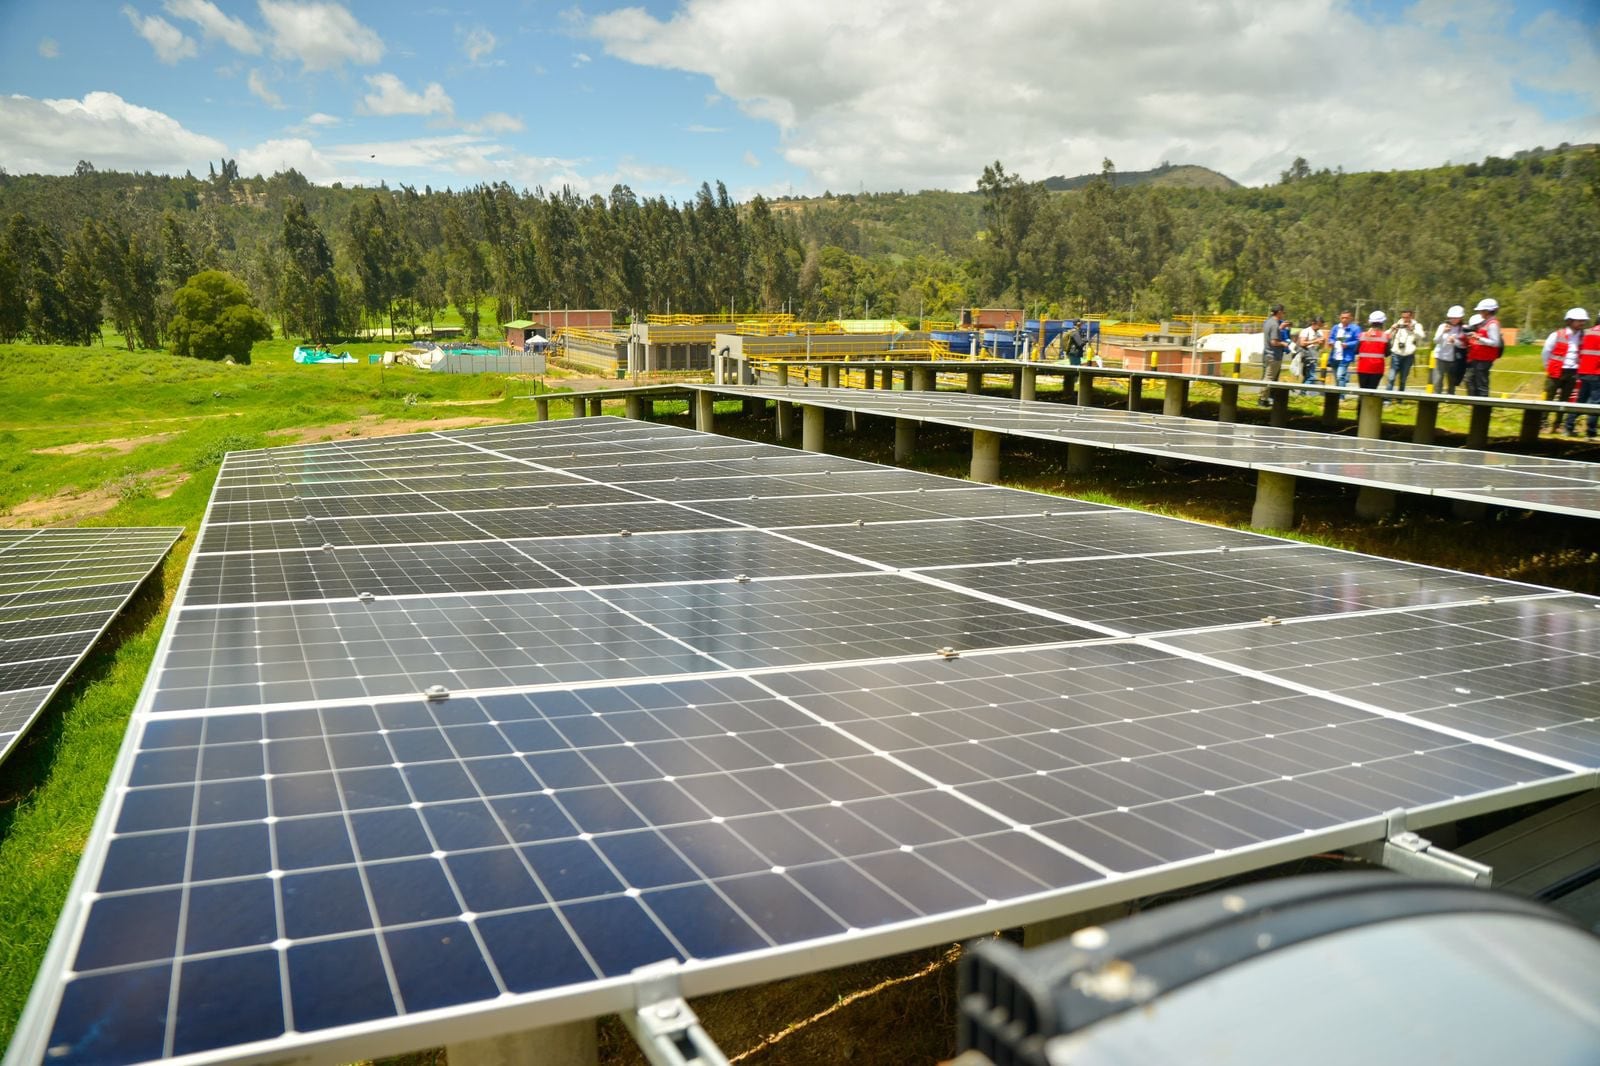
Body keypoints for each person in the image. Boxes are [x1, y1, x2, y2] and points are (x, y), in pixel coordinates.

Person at [1542, 308, 1587, 430]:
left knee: (1565, 399)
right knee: (1549, 397)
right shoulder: (1557, 335)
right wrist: (1548, 366)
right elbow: (1546, 352)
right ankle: (1543, 422)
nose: (1582, 323)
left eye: (1583, 321)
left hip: (1572, 372)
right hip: (1556, 370)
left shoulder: (1583, 336)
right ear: (1570, 321)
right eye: (1579, 321)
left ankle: (1558, 423)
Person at [1461, 297, 1503, 397]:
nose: (1480, 312)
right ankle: (1475, 404)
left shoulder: (1492, 324)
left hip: (1484, 359)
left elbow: (1495, 342)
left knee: (1482, 385)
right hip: (1479, 358)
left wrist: (1478, 338)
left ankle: (1482, 408)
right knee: (1473, 381)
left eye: (1481, 310)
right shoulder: (1487, 323)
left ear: (1487, 311)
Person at [1568, 316, 1600, 438]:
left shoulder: (1586, 332)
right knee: (1595, 403)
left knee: (1580, 401)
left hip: (1584, 371)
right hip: (1597, 373)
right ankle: (1591, 432)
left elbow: (1580, 351)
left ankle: (1568, 426)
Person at [1431, 305, 1467, 393]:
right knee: (1437, 380)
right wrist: (1443, 332)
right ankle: (1437, 398)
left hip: (1454, 359)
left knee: (1452, 381)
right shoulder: (1442, 326)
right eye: (1452, 317)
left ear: (1461, 318)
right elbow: (1435, 340)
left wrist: (1455, 341)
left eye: (1456, 317)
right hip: (1440, 357)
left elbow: (1464, 345)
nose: (1453, 319)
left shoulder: (1463, 328)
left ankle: (1450, 400)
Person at [1387, 309, 1425, 391]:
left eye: (1406, 317)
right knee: (1391, 377)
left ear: (1411, 317)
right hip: (1396, 354)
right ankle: (1387, 399)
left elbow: (1422, 336)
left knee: (1403, 379)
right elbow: (1387, 335)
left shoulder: (1416, 325)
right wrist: (1392, 329)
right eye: (1403, 317)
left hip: (1408, 356)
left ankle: (1399, 398)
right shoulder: (1398, 324)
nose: (1404, 319)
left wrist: (1412, 330)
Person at [1260, 303, 1288, 401]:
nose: (1283, 315)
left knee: (1267, 377)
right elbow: (1274, 342)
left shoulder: (1268, 322)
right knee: (1269, 378)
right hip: (1274, 356)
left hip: (1267, 354)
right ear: (1279, 312)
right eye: (1283, 312)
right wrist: (1283, 344)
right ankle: (1263, 399)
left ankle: (1265, 398)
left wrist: (1280, 328)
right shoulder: (1275, 324)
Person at [1355, 311, 1390, 389]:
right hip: (1377, 369)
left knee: (1362, 391)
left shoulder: (1362, 335)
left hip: (1362, 368)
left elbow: (1356, 351)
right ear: (1382, 323)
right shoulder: (1385, 336)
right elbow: (1387, 353)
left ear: (1370, 322)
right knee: (1372, 391)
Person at [1327, 309, 1359, 389]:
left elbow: (1358, 341)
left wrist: (1347, 344)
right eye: (1342, 318)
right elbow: (1331, 338)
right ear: (1340, 318)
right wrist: (1331, 342)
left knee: (1340, 376)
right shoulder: (1336, 327)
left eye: (1346, 318)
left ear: (1351, 318)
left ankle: (1341, 396)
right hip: (1334, 356)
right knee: (1337, 377)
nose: (1344, 319)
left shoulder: (1355, 329)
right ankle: (1338, 394)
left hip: (1345, 357)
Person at [1297, 316, 1326, 387]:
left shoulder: (1319, 332)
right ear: (1313, 323)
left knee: (1307, 376)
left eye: (1321, 326)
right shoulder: (1306, 331)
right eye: (1318, 325)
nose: (1319, 327)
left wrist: (1322, 342)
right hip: (1307, 357)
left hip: (1314, 356)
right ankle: (1303, 393)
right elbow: (1302, 343)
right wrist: (1315, 341)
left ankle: (1302, 394)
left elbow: (1321, 347)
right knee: (1311, 376)